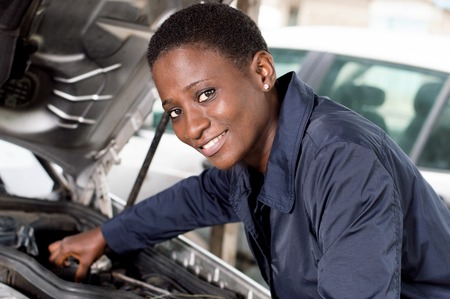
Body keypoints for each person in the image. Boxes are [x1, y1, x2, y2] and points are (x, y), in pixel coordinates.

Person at [48, 3, 450, 298]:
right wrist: (106, 235)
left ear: (262, 72)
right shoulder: (255, 152)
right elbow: (197, 198)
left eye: (206, 93)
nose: (191, 128)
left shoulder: (341, 159)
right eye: (174, 111)